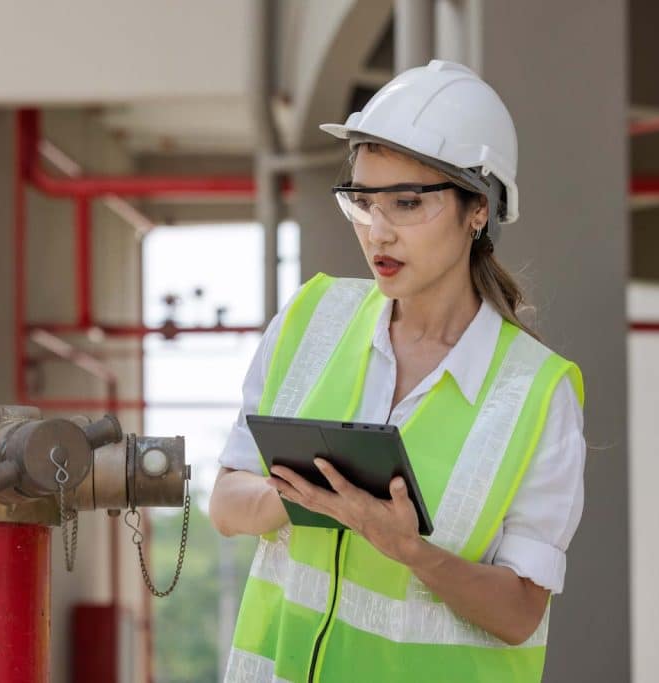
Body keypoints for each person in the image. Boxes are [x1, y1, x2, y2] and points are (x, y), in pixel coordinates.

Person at [209, 60, 585, 683]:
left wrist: (409, 550)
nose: (377, 232)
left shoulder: (537, 393)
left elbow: (520, 611)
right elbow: (226, 504)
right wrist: (306, 496)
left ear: (478, 211)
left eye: (407, 203)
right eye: (362, 202)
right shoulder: (311, 319)